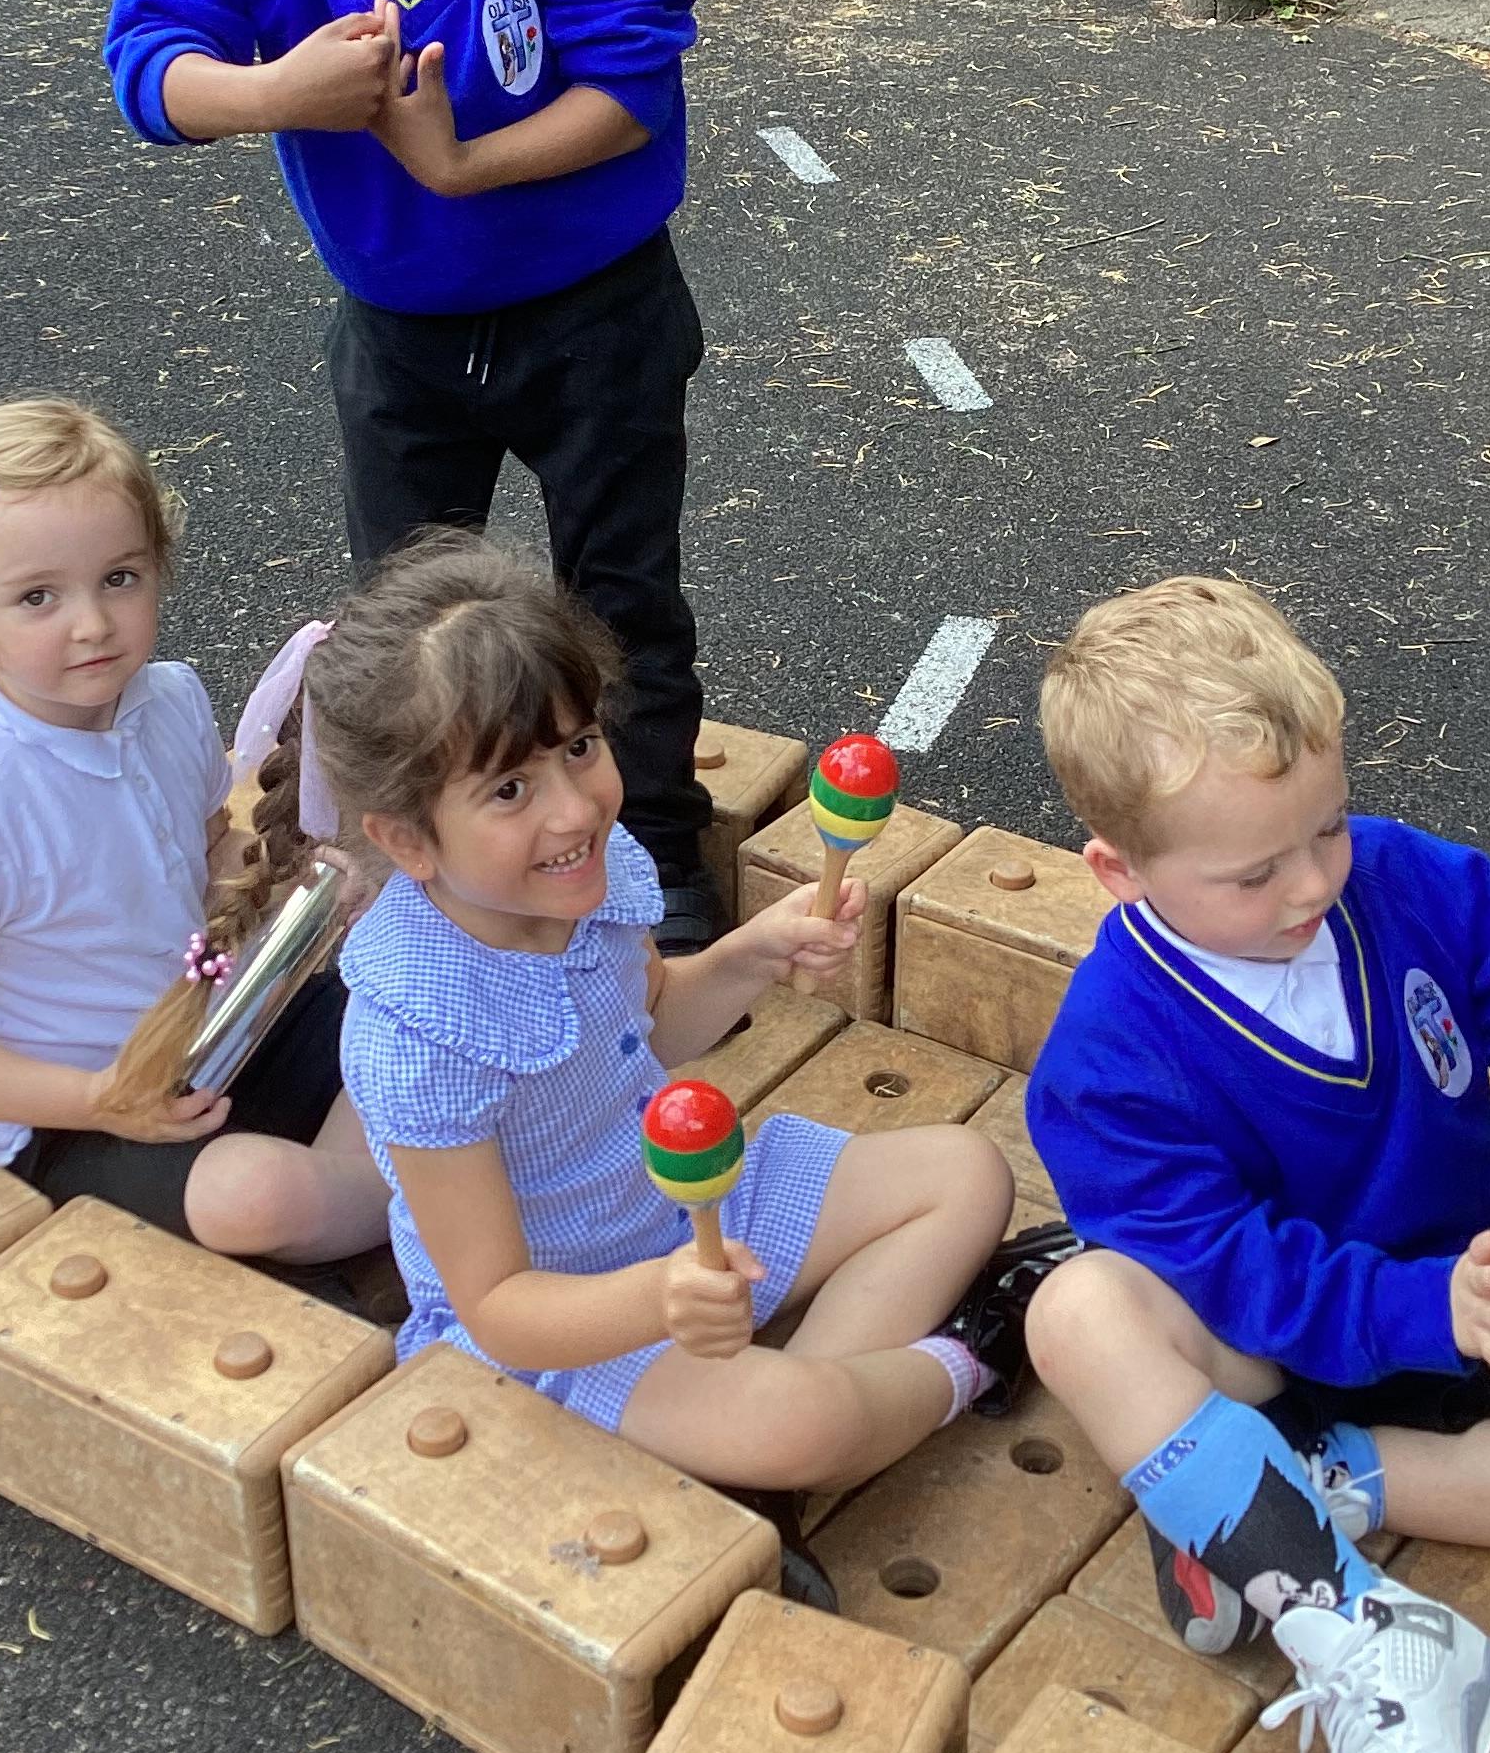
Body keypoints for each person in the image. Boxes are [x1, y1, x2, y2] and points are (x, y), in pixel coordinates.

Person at [105, 0, 723, 949]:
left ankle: (652, 856)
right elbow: (149, 66)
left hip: (597, 313)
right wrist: (278, 94)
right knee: (410, 628)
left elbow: (633, 87)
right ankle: (436, 877)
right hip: (398, 333)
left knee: (622, 596)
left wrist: (461, 162)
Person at [1014, 575, 1490, 1753]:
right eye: (1254, 872)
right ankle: (1355, 1624)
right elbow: (1236, 1273)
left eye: (1328, 827)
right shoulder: (1109, 1057)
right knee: (1078, 1310)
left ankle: (1286, 1500)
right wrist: (1419, 1308)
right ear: (1117, 874)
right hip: (1275, 1342)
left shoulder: (1395, 879)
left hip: (1472, 1279)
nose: (1310, 883)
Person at [296, 532, 1046, 1500]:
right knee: (798, 1422)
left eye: (579, 748)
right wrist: (660, 1299)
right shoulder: (419, 1031)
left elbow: (650, 1021)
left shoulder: (588, 878)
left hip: (688, 1211)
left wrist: (752, 955)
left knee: (966, 1172)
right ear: (408, 841)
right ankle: (969, 1356)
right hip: (570, 1320)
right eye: (511, 788)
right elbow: (497, 1306)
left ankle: (778, 1433)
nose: (574, 810)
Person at [0, 397, 388, 1263]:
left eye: (119, 578)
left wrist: (301, 889)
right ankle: (410, 1206)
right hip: (71, 1120)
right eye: (38, 596)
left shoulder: (171, 699)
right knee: (253, 1196)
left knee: (415, 1005)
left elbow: (206, 856)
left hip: (218, 1034)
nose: (92, 623)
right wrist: (101, 1098)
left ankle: (368, 1196)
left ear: (158, 567)